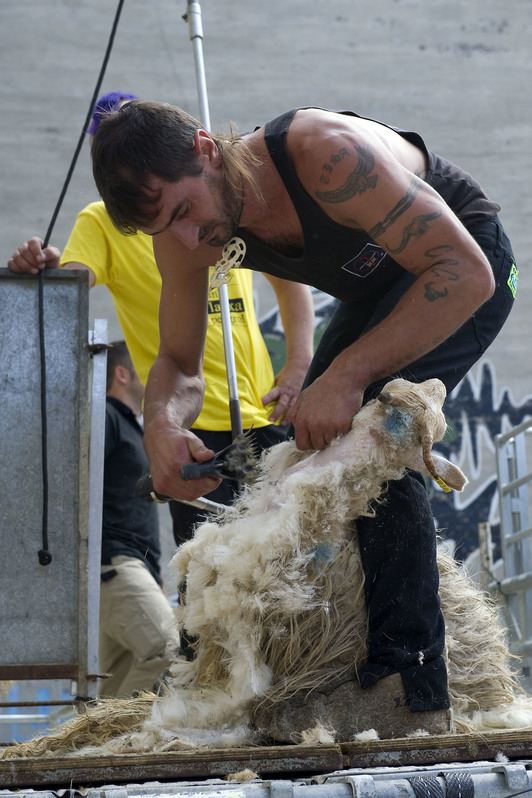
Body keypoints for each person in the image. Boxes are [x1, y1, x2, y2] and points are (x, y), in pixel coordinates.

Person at [87, 100, 517, 739]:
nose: (184, 240)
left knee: (372, 437)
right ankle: (333, 669)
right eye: (160, 231)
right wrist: (161, 424)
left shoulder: (321, 153)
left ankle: (414, 686)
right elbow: (177, 359)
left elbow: (466, 273)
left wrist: (345, 377)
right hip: (378, 292)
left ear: (208, 149)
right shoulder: (183, 233)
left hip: (460, 268)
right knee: (305, 449)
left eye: (182, 211)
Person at [7, 92, 315, 546]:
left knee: (295, 556)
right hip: (189, 425)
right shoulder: (100, 222)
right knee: (212, 571)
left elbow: (290, 283)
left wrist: (298, 365)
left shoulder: (221, 204)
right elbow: (69, 283)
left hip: (261, 412)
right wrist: (41, 267)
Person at [98, 340, 176, 698]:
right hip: (113, 563)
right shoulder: (105, 416)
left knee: (115, 682)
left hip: (128, 567)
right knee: (167, 648)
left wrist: (153, 575)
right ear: (122, 373)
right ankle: (109, 738)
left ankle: (94, 752)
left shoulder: (133, 428)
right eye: (146, 365)